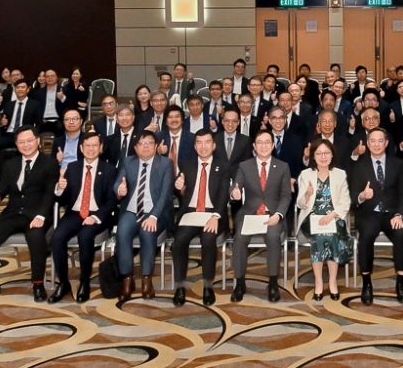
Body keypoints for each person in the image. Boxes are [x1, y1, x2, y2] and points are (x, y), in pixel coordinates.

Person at [0, 128, 57, 302]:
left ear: (38, 141)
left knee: (36, 238)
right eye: (21, 142)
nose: (26, 145)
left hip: (37, 214)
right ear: (16, 144)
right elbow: (3, 189)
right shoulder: (10, 164)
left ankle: (38, 284)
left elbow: (50, 194)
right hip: (13, 213)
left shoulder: (49, 163)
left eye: (29, 140)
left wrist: (41, 216)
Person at [113, 131, 176, 306]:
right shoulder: (128, 162)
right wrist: (119, 190)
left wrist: (154, 216)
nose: (146, 146)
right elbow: (117, 183)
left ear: (156, 147)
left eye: (149, 143)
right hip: (132, 210)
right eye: (142, 143)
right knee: (122, 233)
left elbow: (165, 195)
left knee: (147, 232)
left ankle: (146, 279)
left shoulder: (166, 164)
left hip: (156, 212)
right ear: (135, 148)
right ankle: (127, 279)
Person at [231, 130, 294, 303]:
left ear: (273, 146)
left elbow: (286, 196)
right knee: (239, 239)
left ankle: (273, 283)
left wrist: (279, 214)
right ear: (254, 146)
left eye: (267, 142)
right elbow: (236, 186)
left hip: (272, 214)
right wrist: (235, 192)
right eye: (260, 142)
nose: (264, 146)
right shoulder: (245, 166)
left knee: (273, 237)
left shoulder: (283, 167)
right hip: (250, 214)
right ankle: (240, 283)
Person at [349, 128, 403, 305]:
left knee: (401, 235)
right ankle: (366, 282)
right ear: (368, 144)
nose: (376, 144)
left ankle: (400, 282)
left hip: (392, 214)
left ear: (386, 143)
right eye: (373, 141)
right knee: (366, 237)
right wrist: (362, 196)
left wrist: (400, 214)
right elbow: (353, 196)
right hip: (369, 213)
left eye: (380, 141)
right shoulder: (359, 166)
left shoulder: (398, 164)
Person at [163, 130, 218, 306]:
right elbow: (181, 191)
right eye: (199, 142)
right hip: (191, 213)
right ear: (195, 146)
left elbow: (224, 195)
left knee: (208, 240)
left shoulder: (222, 166)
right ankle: (179, 287)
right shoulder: (186, 165)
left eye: (207, 142)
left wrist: (216, 216)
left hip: (212, 213)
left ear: (213, 145)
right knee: (179, 242)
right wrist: (179, 187)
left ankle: (208, 286)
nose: (203, 146)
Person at [297, 140, 351, 302]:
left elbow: (345, 202)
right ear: (313, 156)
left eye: (326, 153)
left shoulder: (340, 174)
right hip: (311, 218)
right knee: (320, 235)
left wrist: (331, 215)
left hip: (334, 216)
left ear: (332, 155)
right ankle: (319, 281)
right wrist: (307, 194)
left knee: (331, 234)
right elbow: (300, 204)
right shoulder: (305, 174)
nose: (323, 157)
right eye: (319, 153)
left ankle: (332, 281)